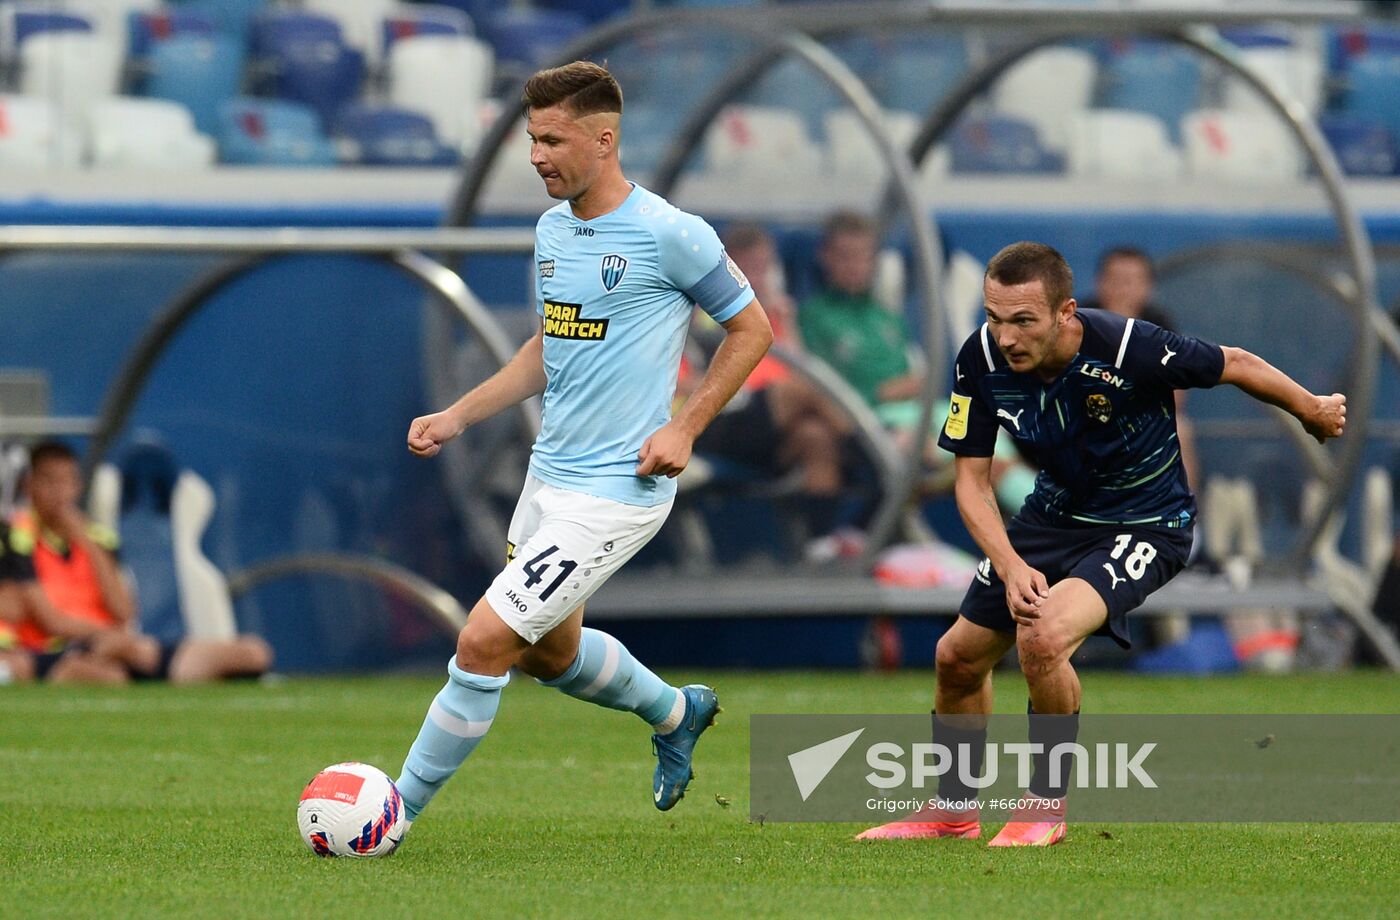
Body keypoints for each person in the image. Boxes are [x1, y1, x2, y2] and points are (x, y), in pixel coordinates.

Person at [857, 241, 1345, 847]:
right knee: (956, 659)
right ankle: (952, 813)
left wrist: (1311, 408)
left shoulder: (1128, 345)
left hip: (1145, 523)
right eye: (994, 317)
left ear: (1066, 313)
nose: (1005, 337)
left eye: (1023, 321)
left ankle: (1044, 807)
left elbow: (1237, 363)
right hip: (1051, 518)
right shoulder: (979, 359)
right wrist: (1009, 566)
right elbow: (972, 484)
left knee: (1042, 636)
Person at [393, 60, 771, 842]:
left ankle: (393, 812)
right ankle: (676, 710)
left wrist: (684, 427)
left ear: (604, 140)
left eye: (552, 139)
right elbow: (547, 344)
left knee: (485, 640)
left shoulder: (673, 234)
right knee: (547, 654)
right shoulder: (552, 228)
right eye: (531, 139)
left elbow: (752, 329)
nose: (536, 155)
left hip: (618, 490)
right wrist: (459, 414)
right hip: (549, 478)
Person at [799, 211, 1035, 510]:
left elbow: (916, 379)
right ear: (826, 257)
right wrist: (881, 393)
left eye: (863, 257)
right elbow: (815, 388)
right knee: (989, 464)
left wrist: (913, 387)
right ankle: (1063, 528)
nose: (855, 266)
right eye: (845, 256)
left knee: (998, 445)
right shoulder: (813, 318)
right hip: (875, 423)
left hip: (922, 414)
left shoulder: (885, 317)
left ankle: (1058, 527)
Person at [9, 441, 272, 684]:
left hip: (117, 646)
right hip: (56, 649)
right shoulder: (17, 537)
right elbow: (49, 620)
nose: (59, 493)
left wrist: (88, 544)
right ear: (29, 486)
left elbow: (123, 610)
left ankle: (153, 667)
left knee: (254, 653)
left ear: (78, 486)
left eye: (67, 482)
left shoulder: (100, 539)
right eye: (49, 482)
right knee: (108, 675)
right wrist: (104, 636)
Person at [683, 222, 852, 540]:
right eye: (747, 269)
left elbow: (799, 366)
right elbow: (682, 384)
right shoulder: (702, 316)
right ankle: (872, 453)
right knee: (803, 391)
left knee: (815, 436)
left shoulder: (776, 313)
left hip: (772, 427)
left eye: (763, 268)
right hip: (722, 421)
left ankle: (822, 544)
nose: (756, 278)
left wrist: (785, 324)